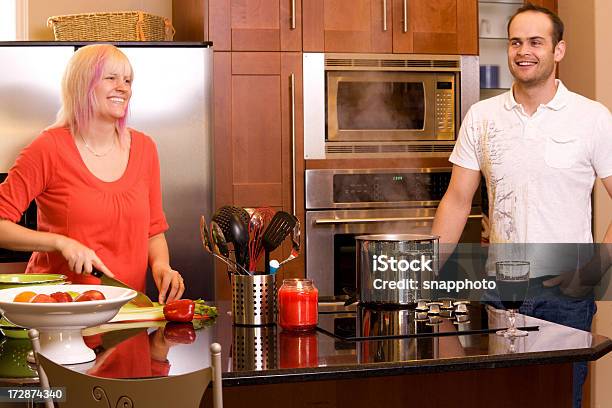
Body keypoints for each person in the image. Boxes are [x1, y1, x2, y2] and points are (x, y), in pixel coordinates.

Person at [431, 4, 612, 407]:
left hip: (565, 293)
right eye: (515, 41)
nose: (523, 51)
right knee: (502, 398)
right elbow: (457, 201)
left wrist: (595, 270)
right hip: (501, 290)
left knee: (559, 398)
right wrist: (422, 272)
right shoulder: (482, 116)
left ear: (558, 50)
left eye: (535, 42)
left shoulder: (592, 118)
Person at [0, 44, 184, 304]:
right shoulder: (48, 148)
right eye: (111, 78)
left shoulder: (145, 148)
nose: (123, 87)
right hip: (59, 315)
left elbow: (152, 232)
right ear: (82, 85)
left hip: (125, 310)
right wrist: (60, 243)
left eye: (128, 80)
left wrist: (162, 267)